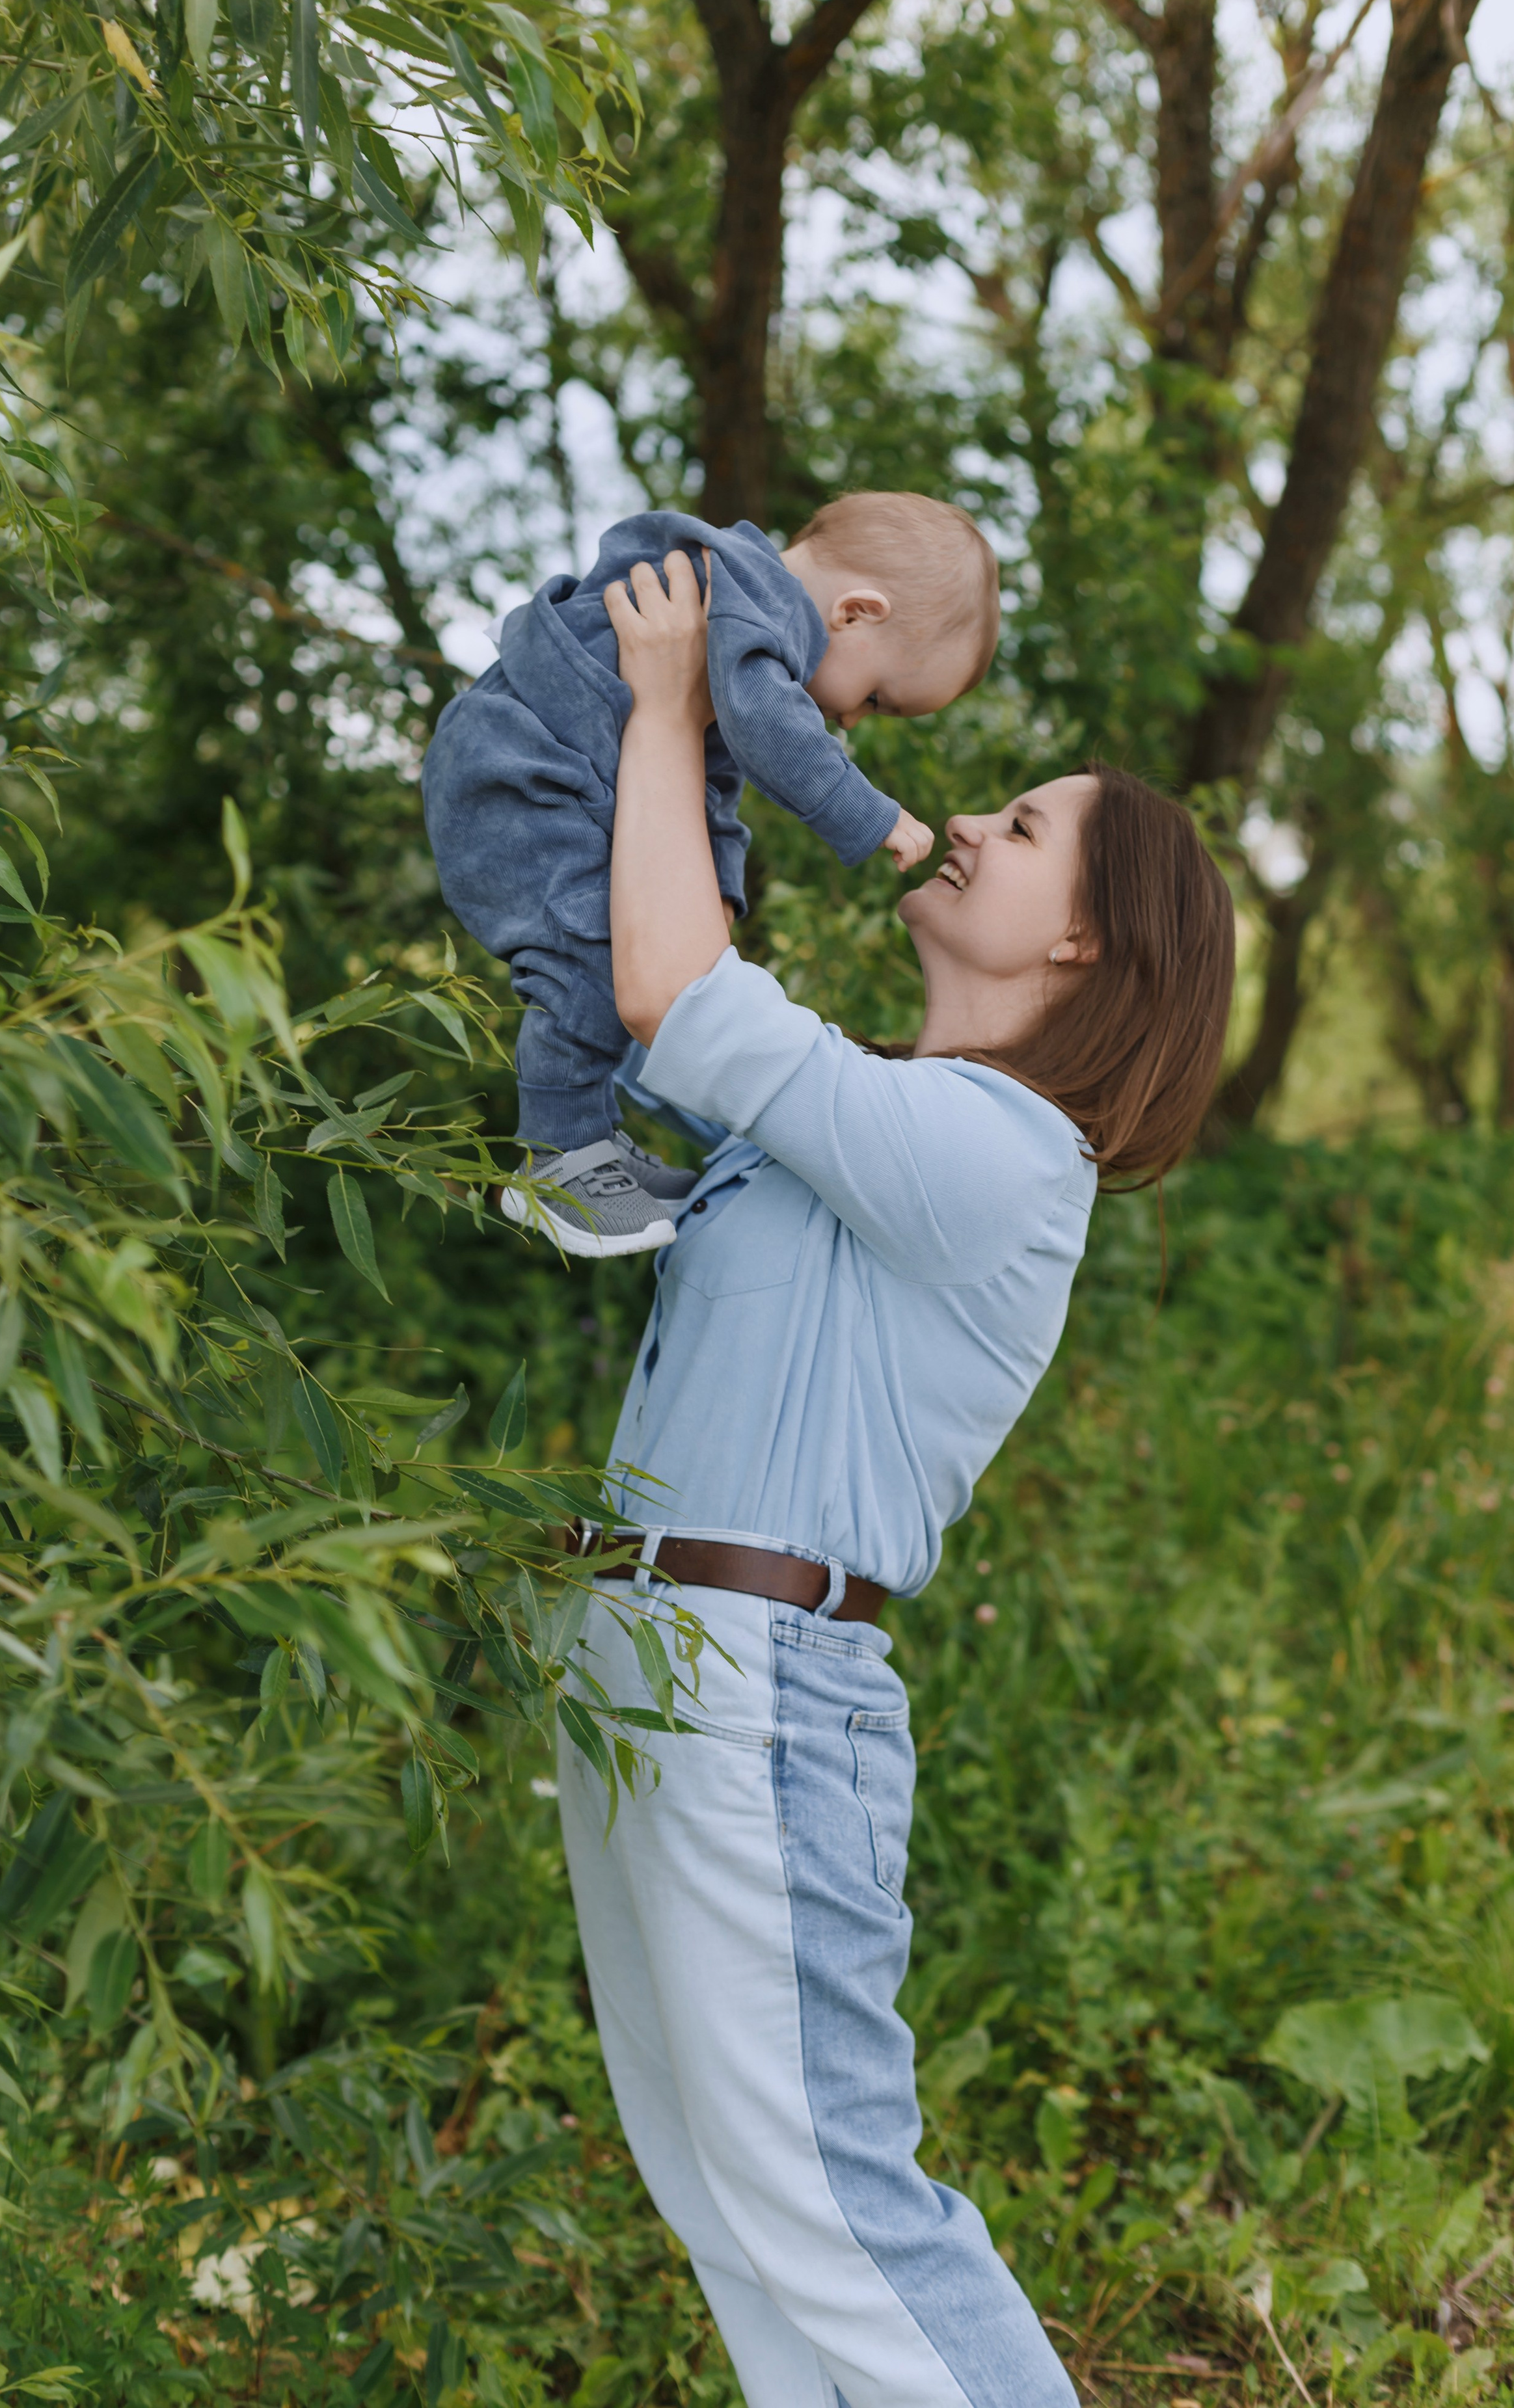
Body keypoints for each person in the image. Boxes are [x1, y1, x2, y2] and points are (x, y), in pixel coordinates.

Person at [552, 550, 1236, 2408]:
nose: (963, 830)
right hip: (653, 1667)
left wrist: (683, 695)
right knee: (735, 2201)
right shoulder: (857, 1116)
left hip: (757, 1695)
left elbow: (671, 986)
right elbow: (645, 1000)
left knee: (836, 2201)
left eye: (1021, 829)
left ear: (1083, 941)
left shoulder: (1010, 1155)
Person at [421, 494, 1000, 1257]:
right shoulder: (755, 606)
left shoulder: (735, 609)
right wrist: (866, 813)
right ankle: (558, 1158)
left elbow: (706, 791)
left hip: (538, 779)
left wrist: (716, 896)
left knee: (611, 947)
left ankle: (591, 1137)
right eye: (875, 699)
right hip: (522, 779)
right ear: (857, 612)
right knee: (590, 959)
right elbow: (769, 731)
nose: (852, 722)